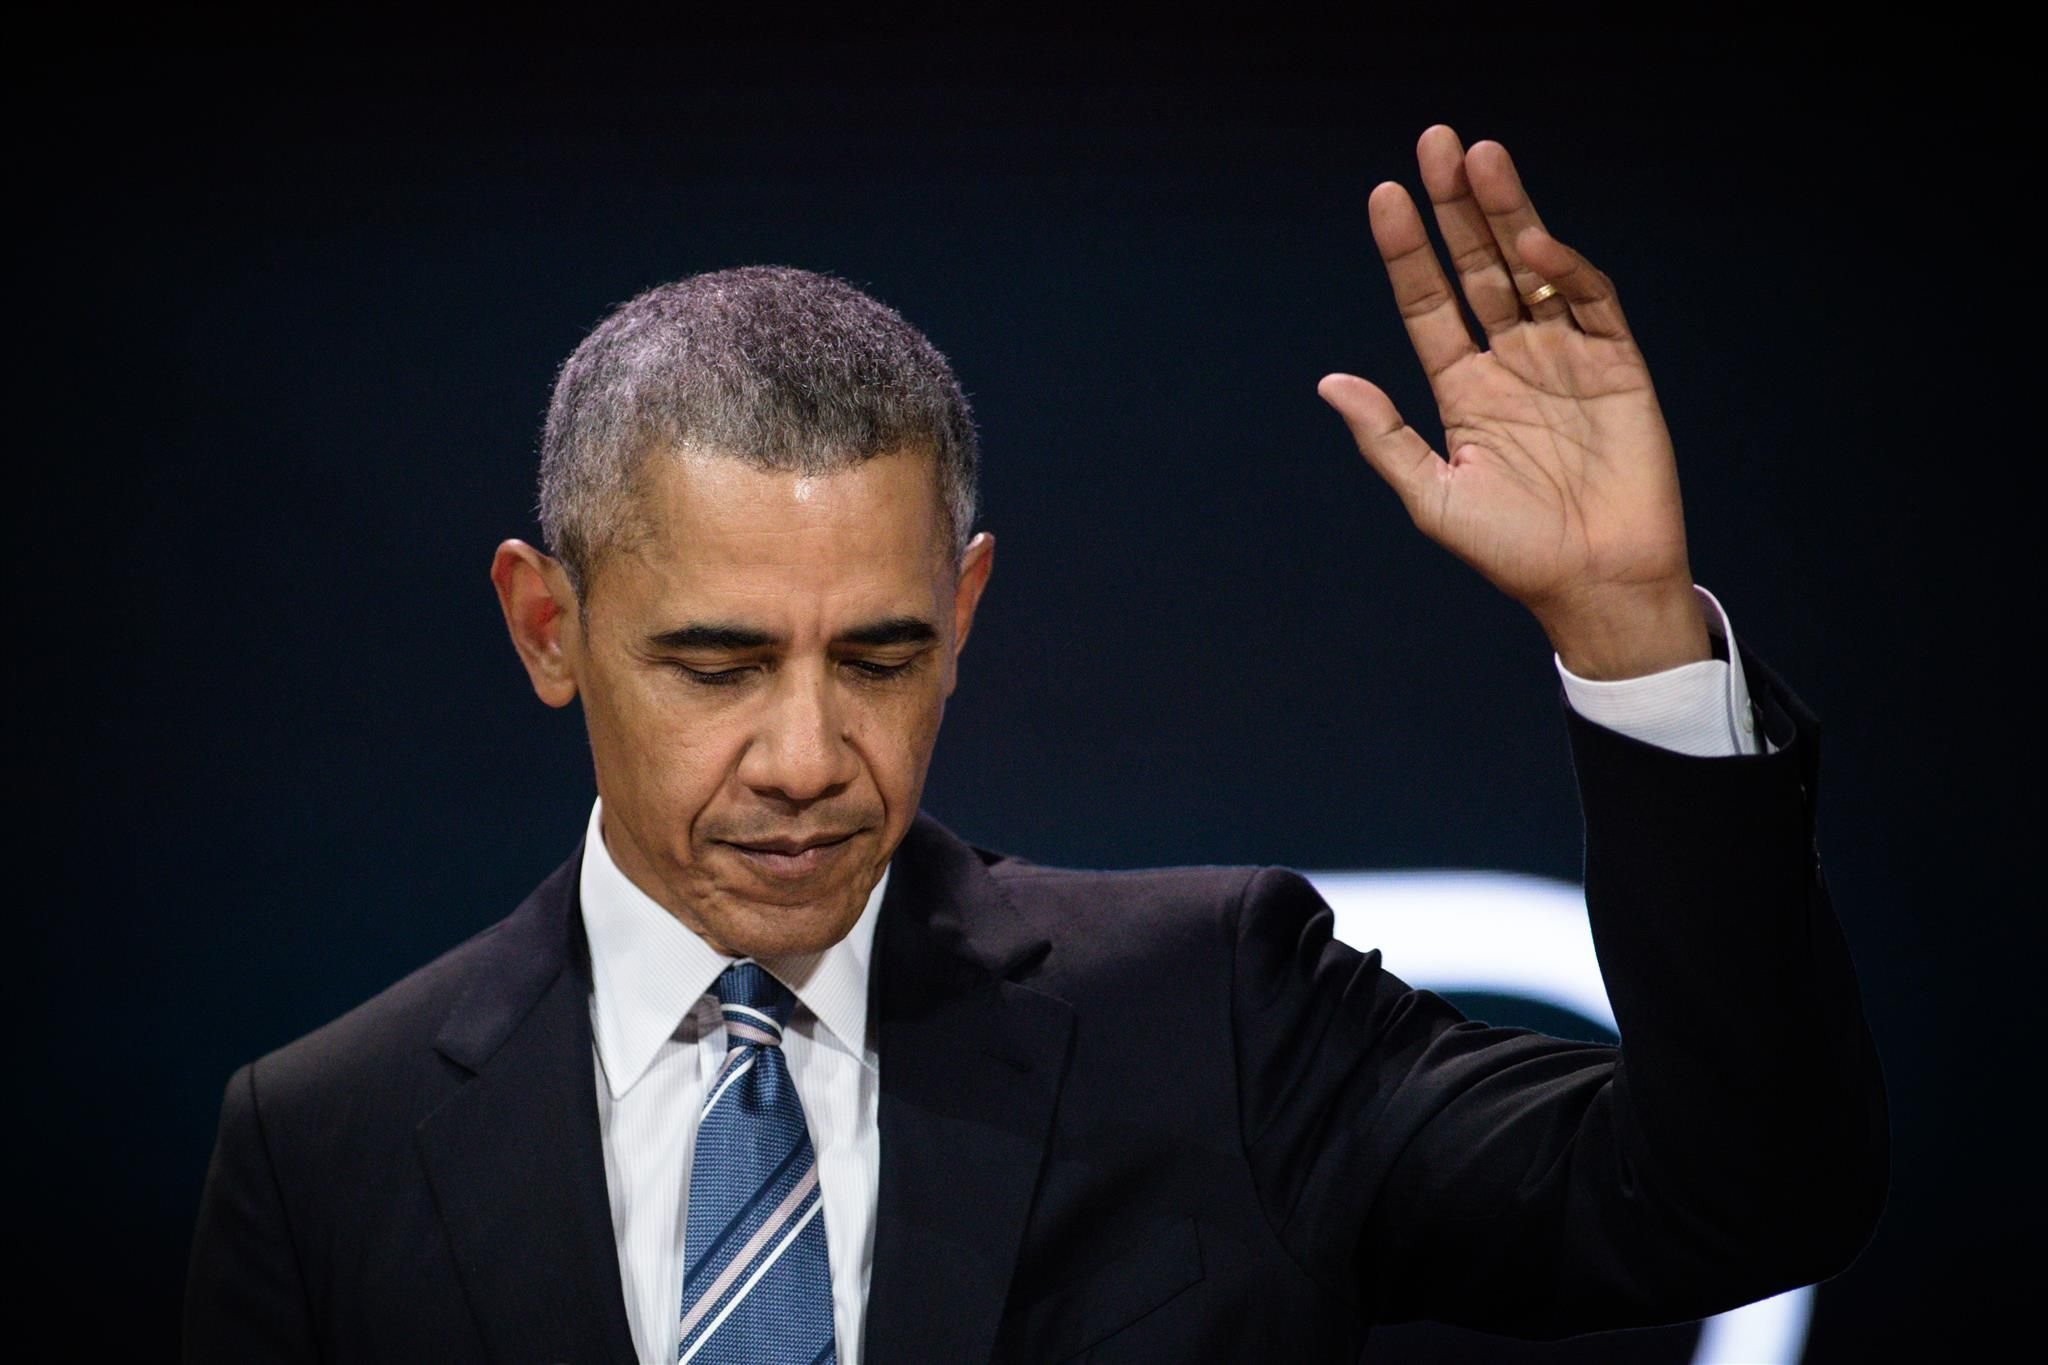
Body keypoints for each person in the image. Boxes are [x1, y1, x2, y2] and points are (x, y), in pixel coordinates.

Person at [182, 125, 1888, 1364]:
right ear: (545, 627)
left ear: (967, 618)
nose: (802, 753)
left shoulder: (1215, 1012)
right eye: (714, 664)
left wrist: (1631, 637)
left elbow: (1739, 1199)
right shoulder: (325, 1147)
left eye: (878, 655)